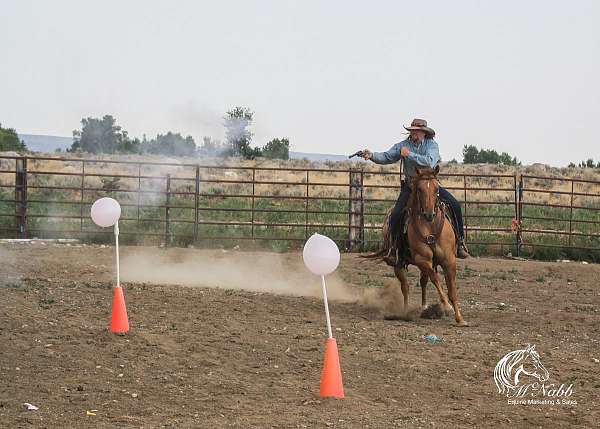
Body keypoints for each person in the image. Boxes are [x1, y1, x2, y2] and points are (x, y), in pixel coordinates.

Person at [361, 118, 469, 261]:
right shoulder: (403, 145)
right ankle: (393, 249)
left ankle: (460, 242)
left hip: (429, 184)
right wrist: (372, 155)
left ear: (424, 133)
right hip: (411, 185)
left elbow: (430, 161)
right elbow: (387, 156)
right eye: (412, 131)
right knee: (397, 213)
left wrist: (409, 155)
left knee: (455, 205)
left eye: (417, 131)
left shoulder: (432, 145)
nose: (414, 133)